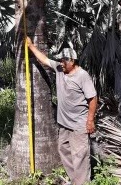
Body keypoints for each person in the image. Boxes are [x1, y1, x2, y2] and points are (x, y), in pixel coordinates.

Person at [26, 37, 98, 185]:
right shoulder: (59, 69)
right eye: (60, 60)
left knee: (80, 156)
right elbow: (45, 60)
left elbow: (93, 99)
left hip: (79, 124)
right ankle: (76, 180)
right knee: (63, 149)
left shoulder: (82, 76)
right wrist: (31, 46)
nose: (61, 63)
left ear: (72, 61)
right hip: (64, 123)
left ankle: (82, 182)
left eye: (64, 61)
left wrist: (90, 121)